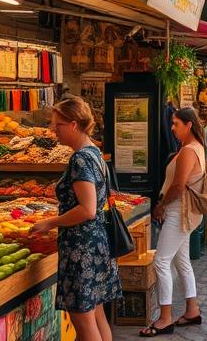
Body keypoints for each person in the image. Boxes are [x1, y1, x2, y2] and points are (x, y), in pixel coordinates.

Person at [30, 96, 121, 341]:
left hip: (82, 248)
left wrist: (50, 222)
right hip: (97, 244)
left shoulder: (80, 159)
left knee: (84, 322)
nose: (53, 130)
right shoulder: (94, 153)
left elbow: (87, 209)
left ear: (72, 125)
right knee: (97, 317)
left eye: (57, 125)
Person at [138, 108, 206, 336]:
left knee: (161, 261)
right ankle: (191, 310)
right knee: (181, 261)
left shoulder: (188, 151)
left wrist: (161, 206)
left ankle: (165, 318)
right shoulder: (194, 148)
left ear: (189, 125)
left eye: (176, 123)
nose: (172, 128)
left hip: (179, 212)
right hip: (184, 213)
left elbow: (178, 186)